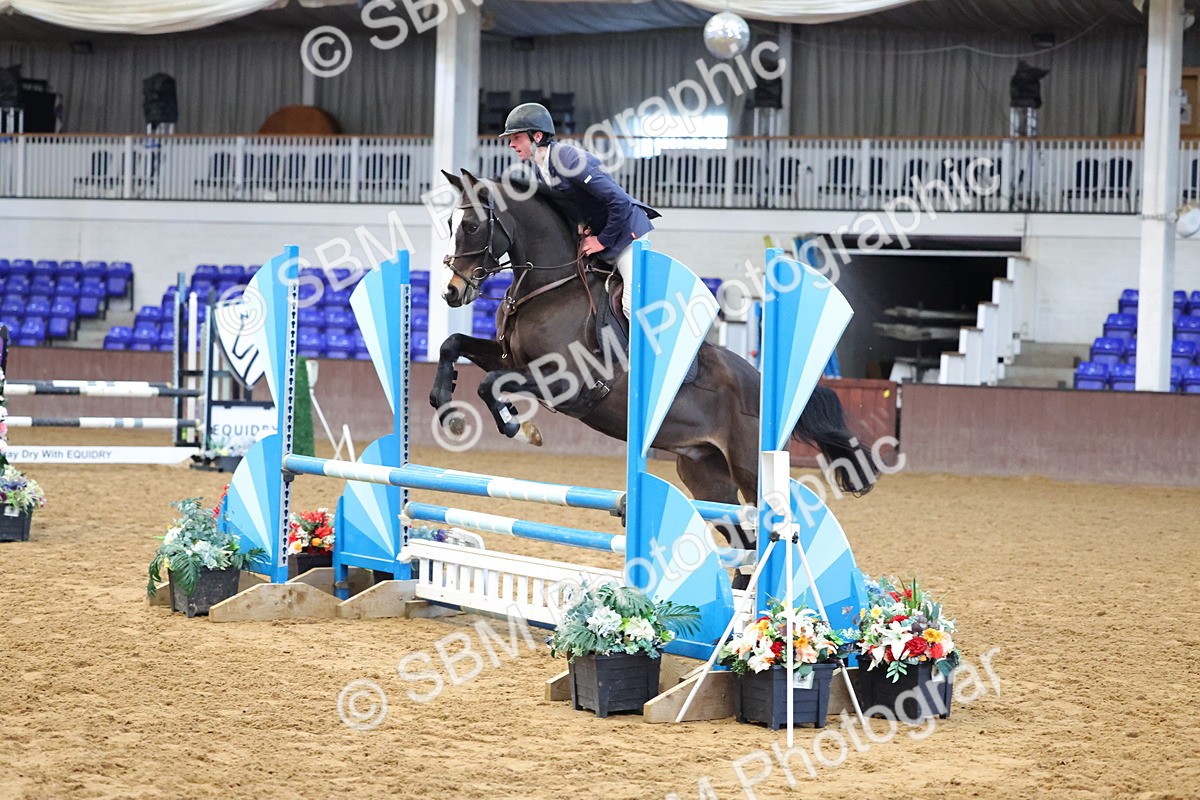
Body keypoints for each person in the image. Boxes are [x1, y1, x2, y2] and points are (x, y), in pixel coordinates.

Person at [499, 102, 659, 319]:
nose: (511, 144)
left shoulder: (569, 158)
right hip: (600, 233)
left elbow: (619, 202)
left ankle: (647, 352)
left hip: (626, 236)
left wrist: (601, 241)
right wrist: (583, 227)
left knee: (631, 307)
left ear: (536, 137)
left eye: (516, 138)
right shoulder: (541, 170)